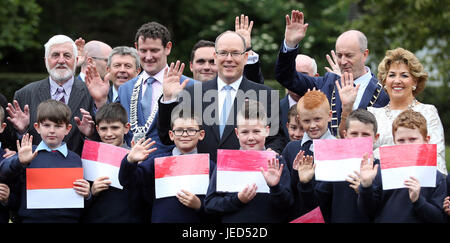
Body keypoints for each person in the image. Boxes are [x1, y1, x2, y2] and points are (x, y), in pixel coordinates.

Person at [158, 30, 285, 162]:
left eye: (235, 53)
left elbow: (276, 139)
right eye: (223, 53)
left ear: (245, 57)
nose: (229, 59)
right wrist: (168, 99)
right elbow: (168, 138)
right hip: (201, 176)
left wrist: (271, 154)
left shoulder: (266, 95)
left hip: (245, 175)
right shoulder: (191, 93)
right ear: (216, 56)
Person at [275, 10, 389, 136]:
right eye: (339, 55)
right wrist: (290, 44)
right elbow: (285, 76)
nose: (343, 61)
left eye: (349, 55)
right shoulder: (328, 83)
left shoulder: (383, 92)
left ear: (365, 54)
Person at [5, 34, 98, 156]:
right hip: (36, 170)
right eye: (55, 55)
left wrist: (91, 134)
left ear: (76, 61)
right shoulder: (24, 94)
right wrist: (21, 131)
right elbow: (11, 145)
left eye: (67, 55)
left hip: (79, 170)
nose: (61, 60)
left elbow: (105, 137)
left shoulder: (91, 93)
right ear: (45, 61)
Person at [0, 100, 91, 223]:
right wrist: (20, 161)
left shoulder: (75, 159)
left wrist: (87, 194)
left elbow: (81, 200)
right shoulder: (28, 153)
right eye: (46, 125)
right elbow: (4, 170)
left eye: (58, 126)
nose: (52, 130)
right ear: (37, 127)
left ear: (68, 129)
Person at [204, 99, 293, 223]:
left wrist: (275, 187)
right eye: (245, 132)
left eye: (256, 131)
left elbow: (288, 206)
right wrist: (238, 200)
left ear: (267, 131)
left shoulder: (277, 161)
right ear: (237, 133)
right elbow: (210, 204)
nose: (251, 137)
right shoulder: (226, 162)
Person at [119, 111, 216, 222]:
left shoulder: (210, 166)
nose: (185, 134)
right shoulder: (156, 162)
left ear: (201, 134)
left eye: (191, 130)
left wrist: (200, 205)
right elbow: (127, 181)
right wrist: (130, 161)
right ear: (171, 135)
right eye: (179, 130)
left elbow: (218, 208)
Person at [116, 21, 196, 154]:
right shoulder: (125, 89)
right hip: (133, 167)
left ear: (168, 48)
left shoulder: (190, 86)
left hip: (171, 167)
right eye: (143, 50)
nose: (148, 57)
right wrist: (100, 101)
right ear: (136, 47)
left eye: (154, 50)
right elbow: (112, 123)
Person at [363, 47, 445, 174]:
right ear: (385, 81)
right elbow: (363, 158)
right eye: (392, 75)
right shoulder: (372, 114)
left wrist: (382, 153)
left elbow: (437, 159)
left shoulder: (428, 112)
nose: (397, 81)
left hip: (418, 184)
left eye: (404, 75)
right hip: (379, 187)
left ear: (415, 81)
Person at [358, 109, 447, 223]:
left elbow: (439, 218)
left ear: (426, 140)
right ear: (394, 141)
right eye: (401, 140)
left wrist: (418, 200)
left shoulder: (436, 177)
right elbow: (366, 211)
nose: (406, 145)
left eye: (412, 139)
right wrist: (366, 186)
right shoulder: (381, 172)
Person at [308, 108, 380, 223]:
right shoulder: (335, 166)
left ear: (376, 138)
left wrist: (365, 191)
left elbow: (381, 211)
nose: (359, 139)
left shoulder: (380, 169)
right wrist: (305, 183)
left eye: (365, 135)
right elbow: (318, 204)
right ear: (345, 134)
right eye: (354, 134)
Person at [81, 103, 147, 223]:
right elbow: (80, 201)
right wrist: (92, 192)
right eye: (104, 128)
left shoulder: (137, 157)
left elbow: (143, 197)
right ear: (97, 129)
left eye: (115, 128)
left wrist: (134, 165)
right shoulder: (89, 157)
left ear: (126, 128)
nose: (109, 134)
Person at [281, 90, 335, 220]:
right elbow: (287, 195)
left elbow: (326, 200)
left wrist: (306, 183)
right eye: (306, 121)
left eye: (317, 119)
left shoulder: (336, 150)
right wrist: (295, 174)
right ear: (299, 119)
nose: (312, 126)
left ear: (329, 116)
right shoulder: (291, 148)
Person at [189, 15, 264, 84]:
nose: (207, 67)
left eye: (212, 62)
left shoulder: (235, 92)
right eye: (201, 62)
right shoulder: (181, 90)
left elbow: (255, 87)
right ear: (191, 66)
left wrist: (246, 48)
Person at [280, 54, 317, 142]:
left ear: (316, 78)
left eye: (303, 76)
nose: (297, 80)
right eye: (293, 75)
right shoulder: (274, 109)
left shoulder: (328, 108)